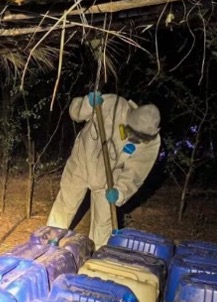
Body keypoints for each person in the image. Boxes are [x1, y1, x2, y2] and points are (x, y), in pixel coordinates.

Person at [47, 90, 161, 248]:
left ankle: (98, 256)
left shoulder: (151, 144)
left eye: (140, 137)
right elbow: (76, 113)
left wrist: (120, 191)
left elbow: (135, 173)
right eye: (132, 132)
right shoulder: (112, 104)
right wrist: (87, 103)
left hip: (109, 180)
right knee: (65, 204)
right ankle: (48, 242)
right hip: (81, 162)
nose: (134, 138)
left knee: (103, 222)